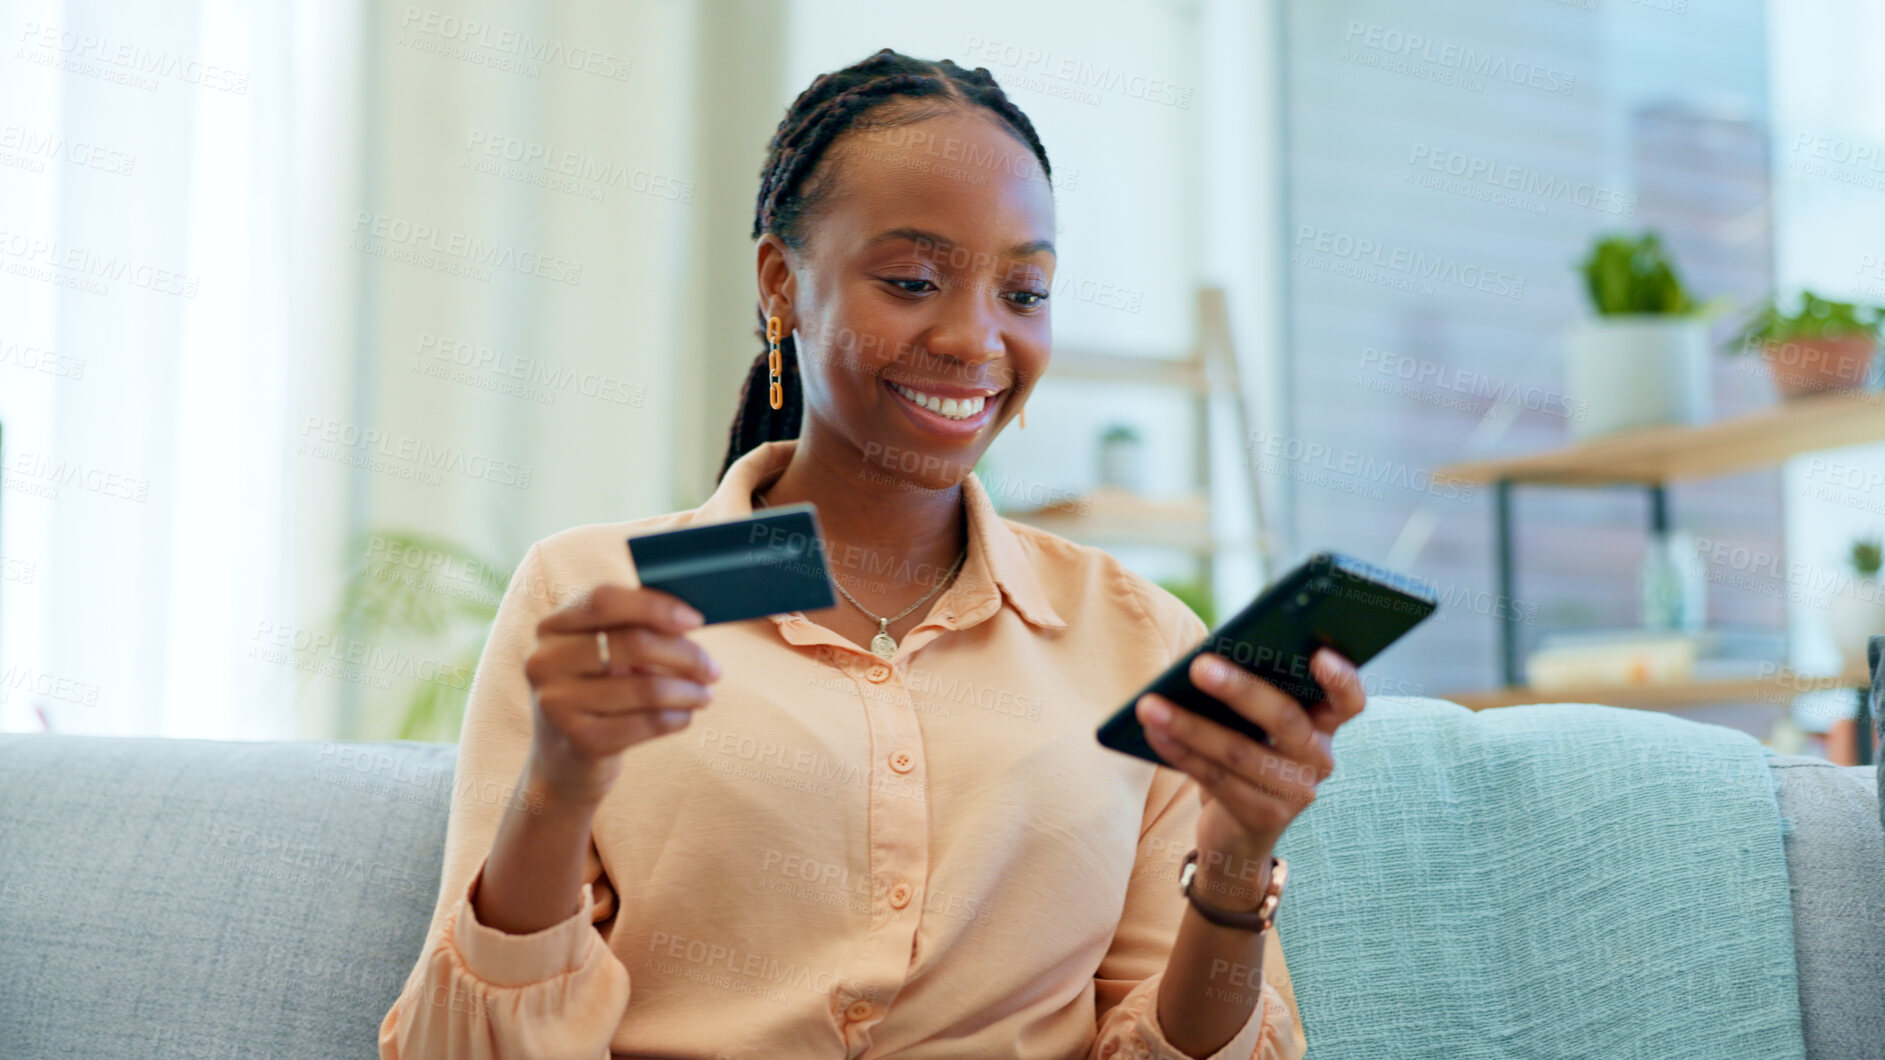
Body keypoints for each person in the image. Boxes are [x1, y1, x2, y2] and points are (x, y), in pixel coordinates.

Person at [379, 47, 1364, 1060]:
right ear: (780, 284)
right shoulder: (596, 595)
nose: (974, 339)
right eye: (912, 279)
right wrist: (558, 785)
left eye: (1023, 292)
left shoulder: (1139, 639)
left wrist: (1237, 861)